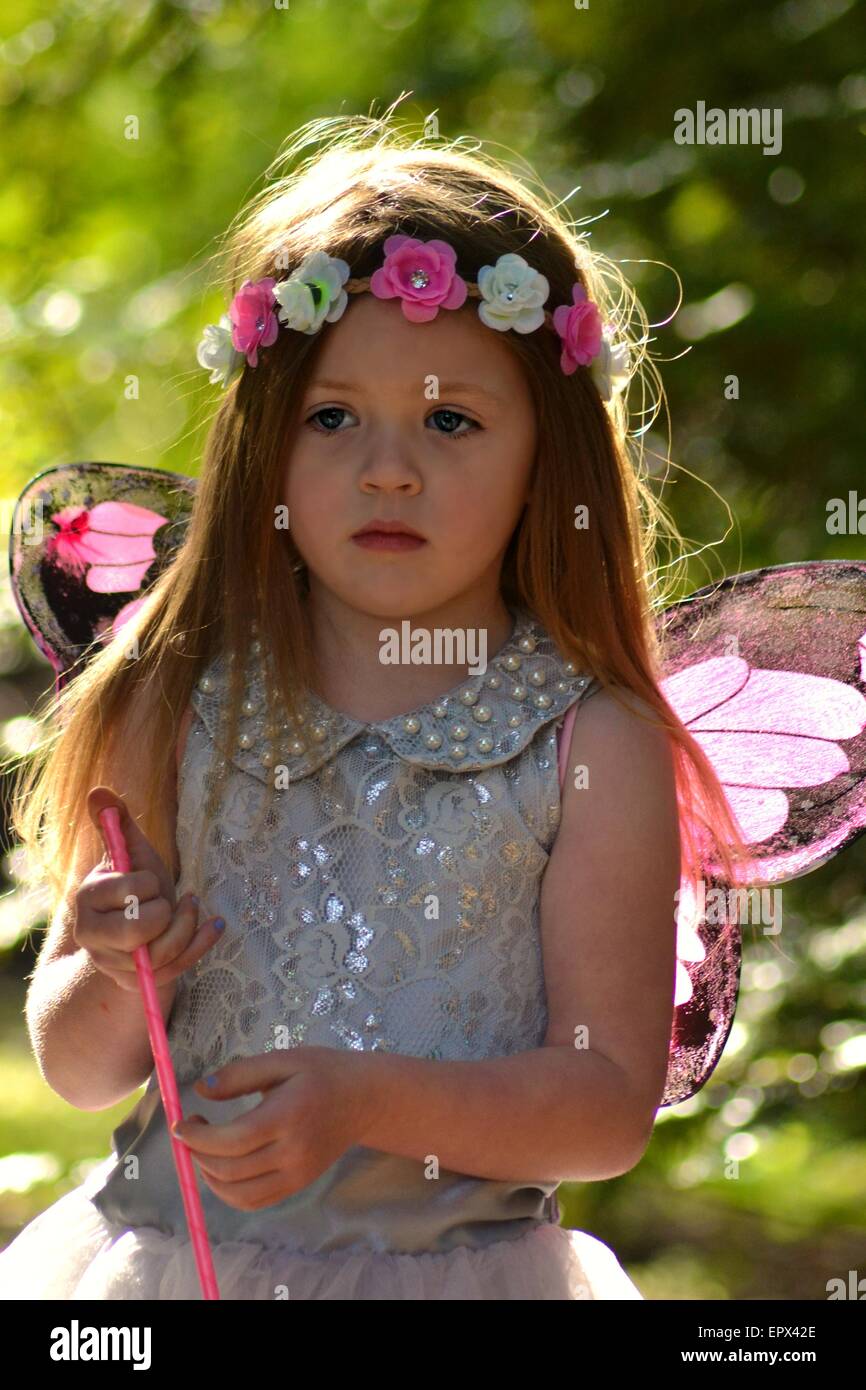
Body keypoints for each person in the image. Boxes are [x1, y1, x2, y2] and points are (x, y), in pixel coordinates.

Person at [0, 111, 746, 1300]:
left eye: (449, 420)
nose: (387, 468)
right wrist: (107, 959)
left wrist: (363, 1100)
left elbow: (602, 1112)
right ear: (265, 448)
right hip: (170, 1270)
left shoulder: (584, 741)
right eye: (332, 417)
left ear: (545, 460)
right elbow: (83, 1068)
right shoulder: (180, 695)